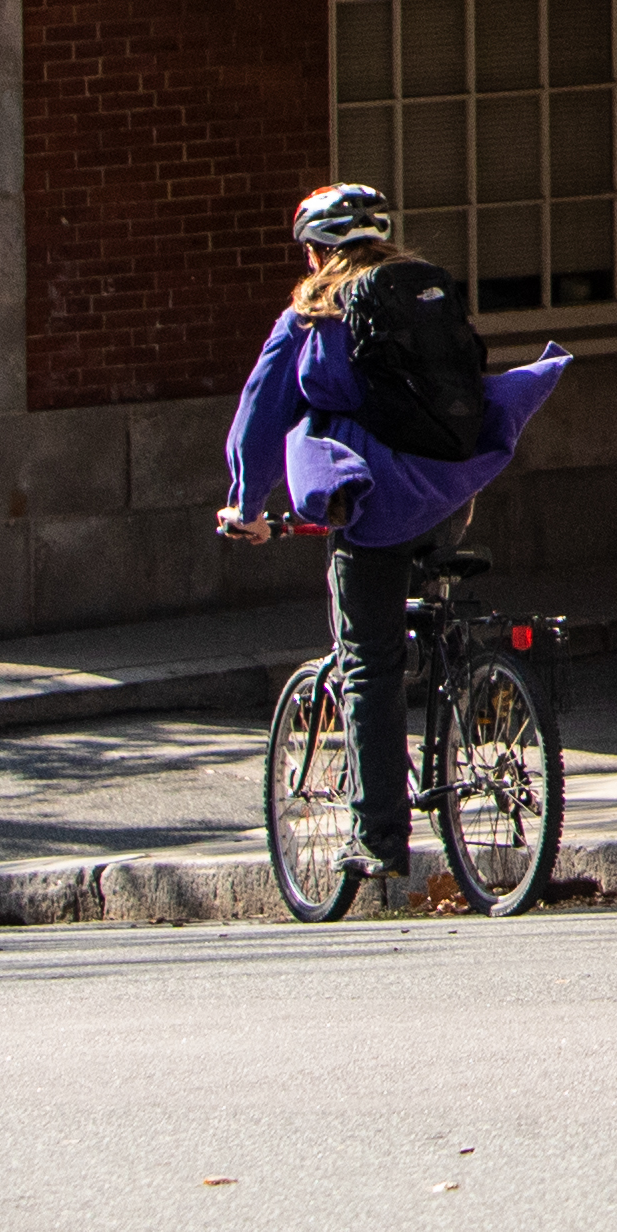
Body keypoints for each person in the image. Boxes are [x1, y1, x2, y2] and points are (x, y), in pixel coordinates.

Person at [217, 180, 569, 903]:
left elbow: (260, 416)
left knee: (369, 662)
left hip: (373, 503)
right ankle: (470, 688)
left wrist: (247, 505)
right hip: (450, 490)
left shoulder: (312, 314)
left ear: (317, 250)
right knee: (431, 601)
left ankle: (378, 835)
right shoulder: (426, 294)